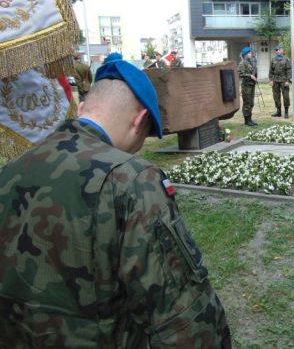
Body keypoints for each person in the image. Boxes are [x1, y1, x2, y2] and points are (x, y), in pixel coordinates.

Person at [0, 53, 231, 345]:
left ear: (82, 108)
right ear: (140, 120)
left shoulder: (11, 171)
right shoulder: (130, 180)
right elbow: (181, 313)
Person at [268, 44, 292, 118]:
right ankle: (278, 112)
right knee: (276, 96)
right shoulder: (273, 59)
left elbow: (289, 71)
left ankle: (286, 112)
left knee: (286, 96)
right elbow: (271, 71)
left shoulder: (286, 59)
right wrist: (271, 80)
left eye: (278, 50)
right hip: (275, 80)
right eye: (276, 50)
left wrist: (288, 80)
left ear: (282, 50)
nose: (277, 51)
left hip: (284, 80)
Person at [237, 46, 258, 126]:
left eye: (250, 53)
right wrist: (250, 76)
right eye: (249, 53)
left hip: (251, 85)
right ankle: (246, 121)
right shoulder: (242, 63)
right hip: (246, 87)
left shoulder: (250, 62)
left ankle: (250, 119)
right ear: (245, 54)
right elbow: (240, 74)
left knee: (251, 103)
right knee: (247, 103)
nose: (251, 54)